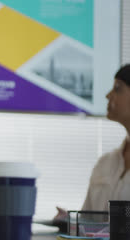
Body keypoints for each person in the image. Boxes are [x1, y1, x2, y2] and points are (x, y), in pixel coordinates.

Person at [54, 64, 130, 225]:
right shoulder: (105, 163)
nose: (108, 95)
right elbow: (90, 224)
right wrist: (70, 222)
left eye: (118, 88)